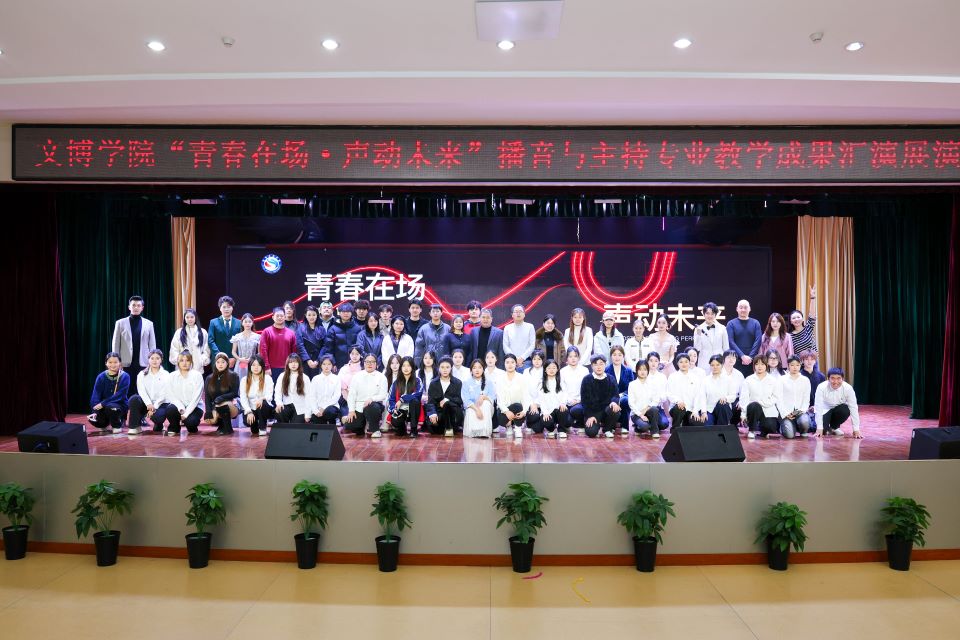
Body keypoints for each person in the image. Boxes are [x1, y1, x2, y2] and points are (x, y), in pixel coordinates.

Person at [111, 295, 156, 397]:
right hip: (125, 363)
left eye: (138, 305)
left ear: (142, 308)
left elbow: (152, 345)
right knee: (126, 389)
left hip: (143, 362)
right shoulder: (120, 323)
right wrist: (117, 362)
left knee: (142, 390)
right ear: (129, 307)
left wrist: (151, 361)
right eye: (133, 305)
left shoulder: (149, 324)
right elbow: (115, 344)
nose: (136, 307)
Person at [343, 353, 388, 437]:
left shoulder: (381, 377)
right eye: (367, 362)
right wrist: (351, 410)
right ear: (363, 363)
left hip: (374, 405)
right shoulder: (357, 376)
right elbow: (351, 395)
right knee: (350, 426)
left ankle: (375, 430)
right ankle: (362, 426)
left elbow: (383, 395)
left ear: (376, 364)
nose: (369, 364)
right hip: (359, 406)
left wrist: (372, 399)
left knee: (372, 407)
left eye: (372, 362)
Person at [160, 351, 204, 436]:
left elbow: (196, 398)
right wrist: (181, 408)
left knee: (191, 422)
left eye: (187, 360)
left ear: (191, 362)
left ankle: (191, 427)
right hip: (178, 406)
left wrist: (186, 414)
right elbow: (170, 395)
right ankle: (174, 427)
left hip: (195, 407)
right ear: (178, 362)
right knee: (170, 409)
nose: (184, 363)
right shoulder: (172, 376)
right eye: (182, 360)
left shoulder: (197, 375)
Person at [127, 349, 169, 434]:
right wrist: (148, 404)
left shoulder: (166, 374)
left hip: (160, 404)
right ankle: (135, 426)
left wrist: (154, 407)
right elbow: (141, 391)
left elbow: (164, 394)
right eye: (152, 358)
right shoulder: (141, 374)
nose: (154, 361)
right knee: (134, 399)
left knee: (158, 417)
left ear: (161, 360)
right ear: (148, 360)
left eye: (157, 358)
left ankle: (159, 424)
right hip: (146, 403)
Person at [814, 368, 863, 439]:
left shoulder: (848, 388)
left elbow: (853, 408)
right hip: (824, 410)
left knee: (846, 409)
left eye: (838, 378)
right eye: (832, 378)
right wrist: (819, 428)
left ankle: (834, 427)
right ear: (828, 379)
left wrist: (856, 429)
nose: (835, 381)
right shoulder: (821, 387)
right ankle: (822, 425)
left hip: (838, 409)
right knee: (823, 430)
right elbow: (818, 407)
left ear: (843, 379)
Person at [740, 358, 782, 439]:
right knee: (755, 405)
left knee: (771, 427)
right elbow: (744, 398)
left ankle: (763, 430)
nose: (759, 366)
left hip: (768, 408)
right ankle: (752, 430)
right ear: (754, 366)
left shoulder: (773, 380)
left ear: (766, 365)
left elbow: (775, 397)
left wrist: (762, 402)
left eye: (762, 364)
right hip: (753, 409)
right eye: (757, 364)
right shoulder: (748, 380)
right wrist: (743, 414)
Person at [581, 354, 621, 438]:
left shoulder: (611, 378)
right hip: (593, 412)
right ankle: (596, 425)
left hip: (606, 411)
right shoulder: (586, 379)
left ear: (605, 365)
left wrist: (614, 402)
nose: (598, 367)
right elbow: (585, 401)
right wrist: (590, 416)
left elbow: (616, 395)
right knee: (591, 432)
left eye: (601, 364)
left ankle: (607, 429)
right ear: (592, 366)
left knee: (615, 410)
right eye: (595, 364)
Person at [89, 352, 131, 433]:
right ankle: (105, 423)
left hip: (119, 404)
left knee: (111, 408)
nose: (113, 365)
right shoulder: (101, 376)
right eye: (110, 362)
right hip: (103, 405)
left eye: (115, 362)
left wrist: (103, 403)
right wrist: (94, 411)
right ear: (106, 363)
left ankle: (117, 425)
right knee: (95, 420)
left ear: (120, 363)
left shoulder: (125, 376)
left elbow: (120, 395)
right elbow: (96, 395)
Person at [202, 352, 240, 436]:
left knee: (222, 404)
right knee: (211, 419)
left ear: (227, 363)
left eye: (223, 362)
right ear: (215, 363)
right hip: (215, 406)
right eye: (218, 362)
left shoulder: (234, 375)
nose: (220, 364)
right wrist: (208, 411)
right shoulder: (209, 378)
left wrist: (221, 398)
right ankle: (221, 425)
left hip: (231, 404)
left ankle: (228, 428)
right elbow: (207, 397)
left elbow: (234, 393)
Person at [527, 359, 566, 438]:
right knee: (545, 422)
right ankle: (551, 429)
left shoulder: (561, 381)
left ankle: (561, 430)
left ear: (557, 369)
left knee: (564, 410)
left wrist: (563, 403)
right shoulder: (541, 383)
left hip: (558, 409)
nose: (551, 370)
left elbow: (565, 394)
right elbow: (541, 400)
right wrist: (545, 412)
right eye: (549, 368)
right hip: (548, 410)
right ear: (545, 370)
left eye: (554, 368)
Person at [628, 361, 668, 438]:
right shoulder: (632, 384)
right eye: (640, 369)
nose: (642, 372)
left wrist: (647, 408)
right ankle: (638, 428)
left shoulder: (652, 384)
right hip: (636, 414)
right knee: (645, 426)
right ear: (636, 370)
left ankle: (655, 431)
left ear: (648, 371)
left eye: (645, 369)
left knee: (655, 410)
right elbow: (631, 403)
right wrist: (641, 415)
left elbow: (656, 399)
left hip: (649, 411)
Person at [426, 356, 464, 437]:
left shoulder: (458, 383)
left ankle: (449, 428)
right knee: (433, 428)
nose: (445, 369)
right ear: (439, 368)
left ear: (451, 368)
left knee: (447, 404)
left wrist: (447, 400)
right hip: (439, 412)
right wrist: (433, 413)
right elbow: (430, 402)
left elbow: (460, 400)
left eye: (447, 367)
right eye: (442, 367)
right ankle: (445, 427)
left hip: (453, 412)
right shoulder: (433, 383)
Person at [666, 353, 707, 427]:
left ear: (689, 363)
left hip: (690, 409)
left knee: (698, 423)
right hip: (677, 408)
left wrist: (695, 411)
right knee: (680, 409)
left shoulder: (695, 378)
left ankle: (686, 423)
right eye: (681, 362)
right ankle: (675, 429)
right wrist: (678, 401)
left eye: (686, 361)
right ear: (677, 363)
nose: (684, 364)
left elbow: (698, 395)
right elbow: (669, 393)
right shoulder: (673, 377)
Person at [778, 355, 813, 438]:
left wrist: (799, 411)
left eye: (797, 365)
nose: (795, 367)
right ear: (788, 366)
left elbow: (806, 399)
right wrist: (785, 413)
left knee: (804, 422)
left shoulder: (805, 380)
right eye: (792, 365)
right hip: (785, 412)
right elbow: (778, 399)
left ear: (800, 365)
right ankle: (785, 427)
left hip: (799, 412)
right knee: (789, 436)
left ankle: (801, 430)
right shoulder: (781, 379)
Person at [727, 299, 763, 378]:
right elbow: (731, 341)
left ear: (749, 309)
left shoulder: (756, 323)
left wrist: (750, 357)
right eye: (741, 307)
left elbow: (758, 341)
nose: (743, 310)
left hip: (752, 361)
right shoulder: (731, 323)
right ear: (737, 309)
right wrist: (742, 356)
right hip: (736, 359)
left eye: (745, 307)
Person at [239, 355, 274, 436]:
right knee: (253, 429)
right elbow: (243, 398)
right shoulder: (244, 380)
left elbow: (269, 395)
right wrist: (249, 412)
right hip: (251, 408)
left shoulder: (267, 378)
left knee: (262, 403)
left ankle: (262, 427)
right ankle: (255, 425)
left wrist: (262, 398)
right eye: (253, 365)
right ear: (250, 366)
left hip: (264, 407)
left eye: (258, 365)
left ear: (262, 366)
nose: (256, 367)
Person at [497, 354, 531, 438]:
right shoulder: (499, 379)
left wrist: (524, 412)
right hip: (504, 410)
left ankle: (518, 427)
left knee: (518, 406)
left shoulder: (521, 378)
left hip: (517, 409)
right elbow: (499, 400)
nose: (510, 365)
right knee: (500, 417)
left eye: (512, 362)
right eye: (507, 362)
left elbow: (526, 397)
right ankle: (508, 426)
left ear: (516, 364)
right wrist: (506, 411)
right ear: (504, 364)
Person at [260, 307, 298, 381]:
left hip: (287, 367)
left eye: (281, 316)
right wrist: (266, 367)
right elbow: (263, 351)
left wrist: (293, 366)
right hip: (271, 369)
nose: (279, 318)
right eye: (277, 316)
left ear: (285, 317)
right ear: (273, 317)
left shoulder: (291, 333)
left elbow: (294, 352)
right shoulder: (266, 332)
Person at [388, 356, 422, 437]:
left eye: (408, 366)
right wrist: (393, 409)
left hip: (413, 409)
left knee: (415, 401)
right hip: (401, 410)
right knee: (396, 423)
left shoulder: (417, 380)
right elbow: (391, 399)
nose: (406, 368)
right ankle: (402, 428)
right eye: (403, 366)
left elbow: (417, 394)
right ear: (401, 367)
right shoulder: (396, 382)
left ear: (412, 367)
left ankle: (413, 430)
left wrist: (402, 399)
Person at [168, 308, 211, 373]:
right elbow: (174, 349)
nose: (190, 319)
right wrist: (181, 361)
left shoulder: (203, 332)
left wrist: (202, 360)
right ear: (184, 319)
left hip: (197, 368)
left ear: (195, 318)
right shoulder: (179, 332)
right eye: (187, 317)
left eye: (192, 317)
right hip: (182, 368)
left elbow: (207, 349)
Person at [461, 358, 496, 438]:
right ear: (471, 370)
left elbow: (492, 397)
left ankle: (484, 431)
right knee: (471, 409)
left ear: (483, 369)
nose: (477, 370)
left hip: (486, 408)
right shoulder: (466, 383)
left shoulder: (489, 382)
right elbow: (466, 400)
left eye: (480, 367)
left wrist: (483, 397)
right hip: (472, 407)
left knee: (486, 404)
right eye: (474, 368)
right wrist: (477, 409)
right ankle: (474, 432)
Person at [559, 346, 589, 432]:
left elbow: (586, 389)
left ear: (578, 357)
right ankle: (570, 422)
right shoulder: (563, 371)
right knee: (566, 421)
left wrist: (578, 400)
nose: (573, 359)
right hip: (567, 401)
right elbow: (562, 389)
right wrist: (568, 401)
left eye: (575, 356)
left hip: (580, 402)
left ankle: (580, 423)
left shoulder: (584, 370)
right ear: (567, 358)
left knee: (577, 410)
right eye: (570, 356)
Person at [692, 303, 729, 373]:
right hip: (704, 363)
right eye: (707, 313)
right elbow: (697, 348)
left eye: (712, 314)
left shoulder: (722, 328)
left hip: (719, 362)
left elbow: (726, 348)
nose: (710, 316)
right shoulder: (699, 329)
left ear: (715, 315)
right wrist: (699, 333)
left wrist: (725, 363)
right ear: (704, 314)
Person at [208, 296, 242, 369]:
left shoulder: (239, 323)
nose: (226, 309)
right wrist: (220, 356)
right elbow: (210, 341)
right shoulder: (213, 322)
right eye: (224, 307)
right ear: (220, 308)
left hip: (234, 361)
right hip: (218, 360)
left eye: (229, 307)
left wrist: (235, 357)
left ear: (232, 308)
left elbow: (241, 342)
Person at [605, 345, 634, 434]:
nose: (617, 357)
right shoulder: (606, 370)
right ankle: (611, 425)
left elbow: (631, 388)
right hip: (610, 398)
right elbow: (605, 389)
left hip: (624, 396)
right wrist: (615, 398)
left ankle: (625, 426)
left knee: (625, 400)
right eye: (614, 355)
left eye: (619, 355)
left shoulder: (628, 370)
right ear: (611, 356)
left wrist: (620, 395)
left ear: (623, 356)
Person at [274, 354, 310, 423]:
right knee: (279, 411)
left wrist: (307, 413)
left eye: (296, 362)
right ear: (287, 364)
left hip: (300, 408)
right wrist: (279, 403)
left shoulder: (305, 377)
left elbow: (308, 396)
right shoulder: (282, 376)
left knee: (296, 427)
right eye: (291, 362)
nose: (293, 364)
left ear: (299, 364)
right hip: (286, 405)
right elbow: (277, 392)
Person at [325, 303, 362, 369]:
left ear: (351, 313)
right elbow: (329, 349)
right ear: (339, 313)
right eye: (343, 312)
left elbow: (360, 347)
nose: (346, 314)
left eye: (348, 311)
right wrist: (332, 363)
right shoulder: (333, 329)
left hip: (355, 364)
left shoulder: (357, 328)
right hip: (337, 364)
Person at [307, 355, 342, 426]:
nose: (326, 366)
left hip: (332, 406)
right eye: (324, 364)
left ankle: (333, 424)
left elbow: (336, 396)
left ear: (332, 365)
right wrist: (315, 410)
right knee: (316, 420)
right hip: (318, 407)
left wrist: (324, 408)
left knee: (329, 412)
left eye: (329, 364)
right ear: (321, 365)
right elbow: (312, 396)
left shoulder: (336, 378)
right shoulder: (315, 379)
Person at [702, 354, 735, 426]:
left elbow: (733, 396)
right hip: (709, 409)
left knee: (722, 404)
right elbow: (702, 398)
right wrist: (703, 412)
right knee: (708, 427)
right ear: (710, 366)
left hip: (723, 409)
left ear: (722, 365)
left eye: (717, 365)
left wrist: (726, 398)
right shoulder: (705, 380)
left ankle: (722, 429)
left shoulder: (728, 379)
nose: (715, 367)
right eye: (712, 365)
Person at [296, 304, 327, 379]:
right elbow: (300, 345)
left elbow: (325, 345)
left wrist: (318, 360)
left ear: (317, 315)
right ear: (305, 316)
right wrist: (308, 360)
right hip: (304, 360)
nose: (311, 317)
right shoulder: (300, 327)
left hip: (318, 360)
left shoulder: (321, 328)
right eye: (309, 315)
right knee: (305, 381)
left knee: (317, 381)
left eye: (314, 315)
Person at [789, 286, 818, 364]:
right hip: (799, 366)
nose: (796, 319)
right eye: (794, 318)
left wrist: (812, 298)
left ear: (802, 319)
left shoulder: (808, 328)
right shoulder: (790, 336)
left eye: (798, 317)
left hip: (813, 363)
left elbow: (812, 315)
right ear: (791, 321)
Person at [503, 305, 536, 370]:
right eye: (516, 311)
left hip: (526, 361)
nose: (518, 313)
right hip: (511, 362)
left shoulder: (530, 327)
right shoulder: (507, 328)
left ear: (524, 314)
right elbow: (505, 346)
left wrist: (522, 358)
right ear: (512, 315)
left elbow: (532, 345)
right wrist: (514, 358)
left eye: (520, 311)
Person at [799, 350, 825, 430]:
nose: (809, 361)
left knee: (821, 425)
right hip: (803, 408)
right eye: (806, 359)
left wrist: (816, 406)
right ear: (802, 361)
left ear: (815, 360)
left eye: (812, 359)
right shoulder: (799, 375)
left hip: (817, 407)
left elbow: (824, 395)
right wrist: (806, 407)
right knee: (807, 425)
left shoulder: (821, 376)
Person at [230, 313, 260, 378]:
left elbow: (259, 353)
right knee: (240, 381)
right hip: (240, 363)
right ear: (242, 323)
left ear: (252, 323)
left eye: (249, 322)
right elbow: (233, 352)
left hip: (253, 363)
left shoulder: (257, 337)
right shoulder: (237, 336)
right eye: (245, 322)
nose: (247, 324)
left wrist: (252, 359)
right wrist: (239, 359)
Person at [721, 349, 746, 424]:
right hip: (721, 398)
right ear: (724, 359)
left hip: (734, 399)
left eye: (734, 358)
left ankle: (733, 426)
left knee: (739, 406)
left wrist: (741, 401)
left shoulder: (739, 374)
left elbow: (743, 391)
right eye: (729, 357)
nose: (731, 359)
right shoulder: (718, 371)